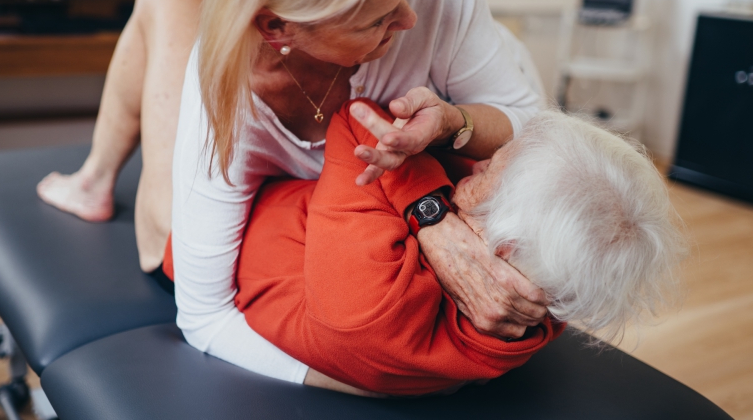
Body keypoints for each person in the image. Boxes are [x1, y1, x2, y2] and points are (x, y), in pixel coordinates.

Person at [37, 0, 547, 388]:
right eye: (377, 20)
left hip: (324, 224)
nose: (411, 18)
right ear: (276, 26)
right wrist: (356, 384)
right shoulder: (221, 99)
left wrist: (455, 121)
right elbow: (203, 314)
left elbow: (532, 122)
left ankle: (92, 179)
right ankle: (95, 178)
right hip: (268, 231)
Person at [226, 100, 685, 395]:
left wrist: (428, 212)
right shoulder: (538, 302)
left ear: (504, 246)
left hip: (237, 223)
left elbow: (357, 119)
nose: (478, 163)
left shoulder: (373, 298)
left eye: (491, 168)